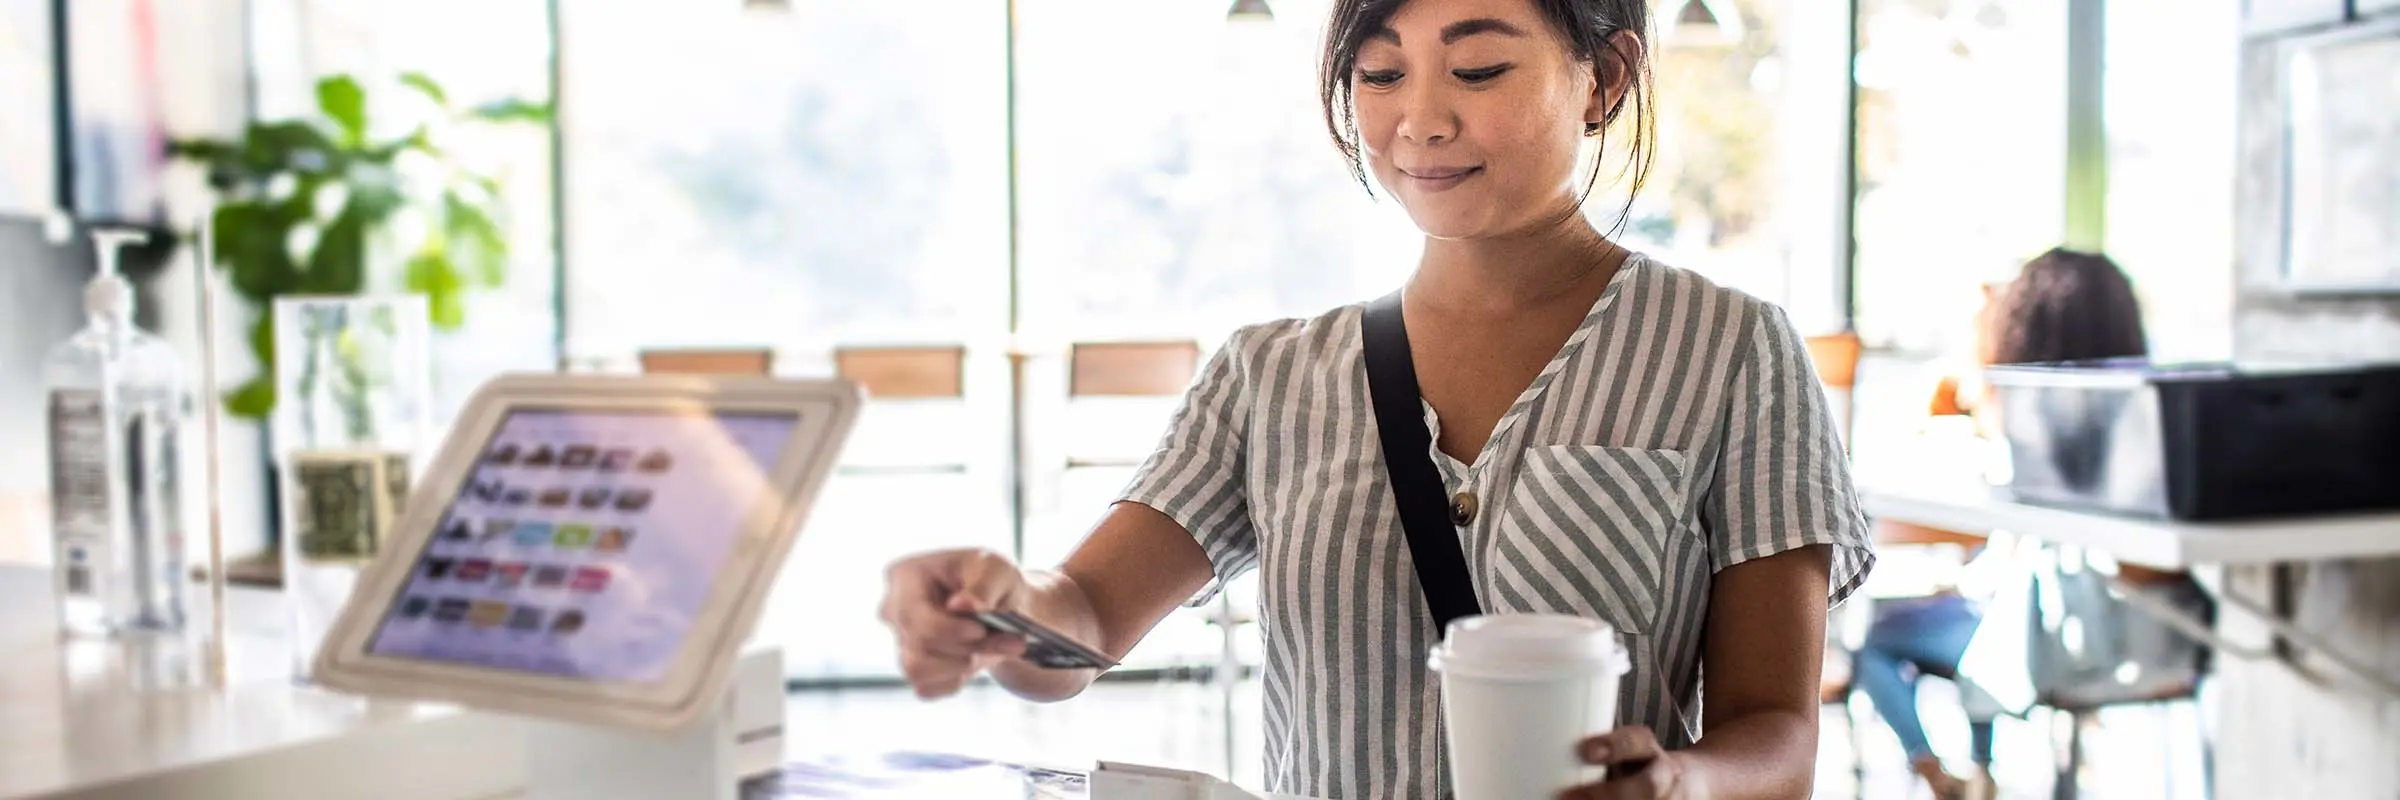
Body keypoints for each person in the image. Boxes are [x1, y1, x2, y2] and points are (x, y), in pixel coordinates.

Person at [879, 1, 1875, 797]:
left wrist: (1679, 783)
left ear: (1604, 78)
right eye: (1381, 71)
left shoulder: (1731, 350)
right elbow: (1084, 616)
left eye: (1478, 70)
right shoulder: (1270, 376)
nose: (1421, 119)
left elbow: (1777, 732)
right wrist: (1003, 611)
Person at [1855, 247, 2151, 800]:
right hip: (2146, 646)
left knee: (1881, 640)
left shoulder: (2029, 437)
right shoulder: (2147, 424)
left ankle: (1943, 774)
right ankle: (1980, 773)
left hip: (2053, 639)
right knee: (1975, 620)